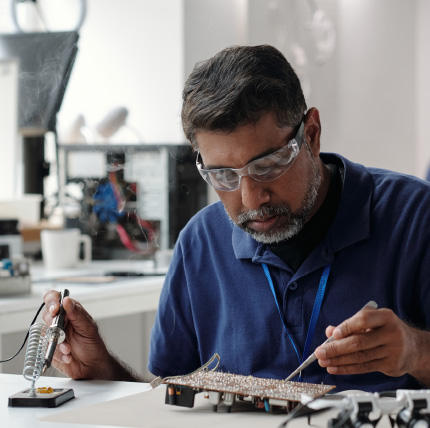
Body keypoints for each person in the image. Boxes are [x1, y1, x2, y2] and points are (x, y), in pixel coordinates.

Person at [44, 45, 430, 392]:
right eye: (222, 176)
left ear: (310, 134)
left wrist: (415, 351)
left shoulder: (413, 216)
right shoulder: (201, 242)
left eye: (267, 166)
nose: (250, 199)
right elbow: (168, 402)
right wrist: (102, 371)